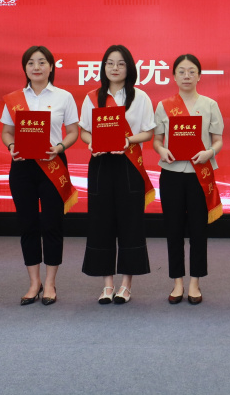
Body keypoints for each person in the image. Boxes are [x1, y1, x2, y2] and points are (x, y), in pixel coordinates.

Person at [0, 46, 79, 306]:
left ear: (51, 67)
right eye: (31, 62)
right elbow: (6, 132)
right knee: (28, 224)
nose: (36, 67)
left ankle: (51, 283)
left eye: (42, 62)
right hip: (22, 166)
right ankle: (34, 282)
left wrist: (60, 147)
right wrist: (12, 147)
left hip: (52, 164)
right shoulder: (14, 98)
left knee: (52, 224)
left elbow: (73, 132)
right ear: (25, 68)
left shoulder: (64, 97)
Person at [78, 45, 156, 304]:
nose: (114, 68)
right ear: (103, 67)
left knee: (130, 222)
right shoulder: (92, 97)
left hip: (128, 165)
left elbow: (148, 132)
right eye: (110, 63)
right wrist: (91, 142)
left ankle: (125, 285)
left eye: (121, 63)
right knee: (101, 222)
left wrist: (128, 140)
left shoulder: (140, 97)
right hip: (100, 164)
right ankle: (107, 285)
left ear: (129, 68)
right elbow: (85, 131)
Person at [153, 54, 224, 305]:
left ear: (199, 76)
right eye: (181, 71)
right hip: (171, 174)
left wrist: (209, 152)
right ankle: (177, 283)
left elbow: (218, 140)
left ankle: (195, 282)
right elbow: (157, 140)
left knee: (198, 230)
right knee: (173, 230)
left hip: (199, 175)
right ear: (173, 76)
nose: (186, 76)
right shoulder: (164, 105)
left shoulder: (210, 105)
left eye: (192, 71)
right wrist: (162, 151)